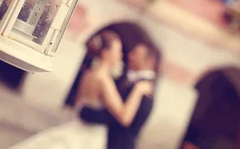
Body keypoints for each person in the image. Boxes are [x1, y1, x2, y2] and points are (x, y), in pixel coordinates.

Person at [9, 31, 154, 148]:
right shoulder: (104, 80)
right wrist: (138, 90)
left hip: (77, 127)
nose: (121, 55)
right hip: (92, 136)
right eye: (118, 50)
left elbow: (79, 104)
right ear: (105, 53)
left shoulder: (89, 74)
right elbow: (124, 117)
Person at [79, 42, 159, 149]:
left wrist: (85, 111)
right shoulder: (132, 82)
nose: (129, 56)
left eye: (135, 54)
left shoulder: (145, 88)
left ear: (149, 61)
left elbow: (119, 117)